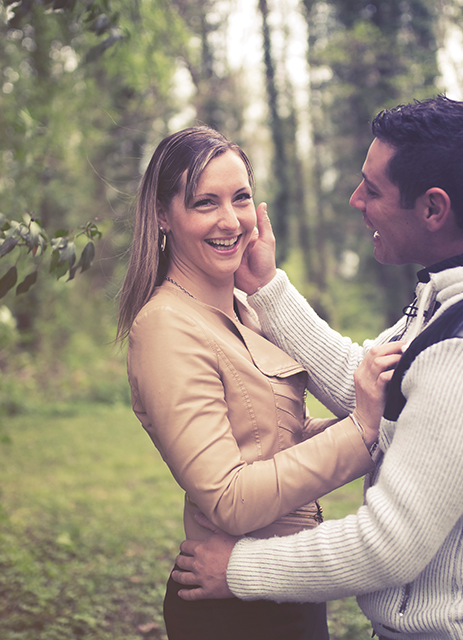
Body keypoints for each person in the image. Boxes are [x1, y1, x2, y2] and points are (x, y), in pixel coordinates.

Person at [171, 97, 463, 640]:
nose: (357, 201)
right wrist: (269, 290)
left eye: (372, 189)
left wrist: (235, 570)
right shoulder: (457, 297)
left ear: (433, 208)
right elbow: (374, 388)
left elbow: (387, 545)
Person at [116, 126, 403, 640]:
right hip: (231, 608)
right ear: (163, 215)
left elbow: (273, 437)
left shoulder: (244, 309)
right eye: (205, 203)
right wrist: (358, 430)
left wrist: (376, 419)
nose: (230, 221)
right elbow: (228, 496)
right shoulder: (164, 327)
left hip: (284, 586)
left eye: (240, 198)